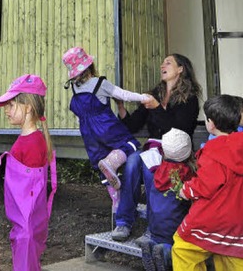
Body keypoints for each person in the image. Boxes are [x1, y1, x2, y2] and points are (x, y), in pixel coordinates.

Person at [172, 95, 243, 271]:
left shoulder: (213, 151)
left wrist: (186, 191)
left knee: (184, 250)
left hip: (213, 219)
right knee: (233, 263)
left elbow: (205, 184)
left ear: (210, 124)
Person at [112, 53, 202, 241]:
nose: (163, 65)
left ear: (180, 69)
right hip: (152, 148)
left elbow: (180, 131)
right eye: (162, 62)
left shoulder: (190, 98)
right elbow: (133, 125)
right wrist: (121, 107)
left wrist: (156, 108)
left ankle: (154, 228)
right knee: (132, 161)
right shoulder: (154, 95)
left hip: (176, 152)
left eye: (168, 62)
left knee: (149, 167)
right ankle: (123, 222)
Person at [62, 46, 153, 208]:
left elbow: (79, 115)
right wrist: (143, 97)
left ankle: (116, 204)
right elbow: (122, 94)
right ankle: (111, 162)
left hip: (88, 133)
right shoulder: (99, 83)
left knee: (100, 165)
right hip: (106, 127)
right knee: (129, 145)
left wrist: (83, 127)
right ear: (89, 65)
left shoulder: (75, 89)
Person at [0, 74, 57, 271]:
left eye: (11, 105)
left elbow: (29, 195)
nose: (6, 111)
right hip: (24, 227)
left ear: (28, 107)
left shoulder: (31, 143)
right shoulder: (33, 139)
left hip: (25, 228)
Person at [137, 128, 195, 271]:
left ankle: (152, 245)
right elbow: (191, 196)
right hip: (173, 228)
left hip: (155, 226)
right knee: (174, 243)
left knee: (159, 236)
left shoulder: (159, 170)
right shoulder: (185, 172)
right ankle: (166, 252)